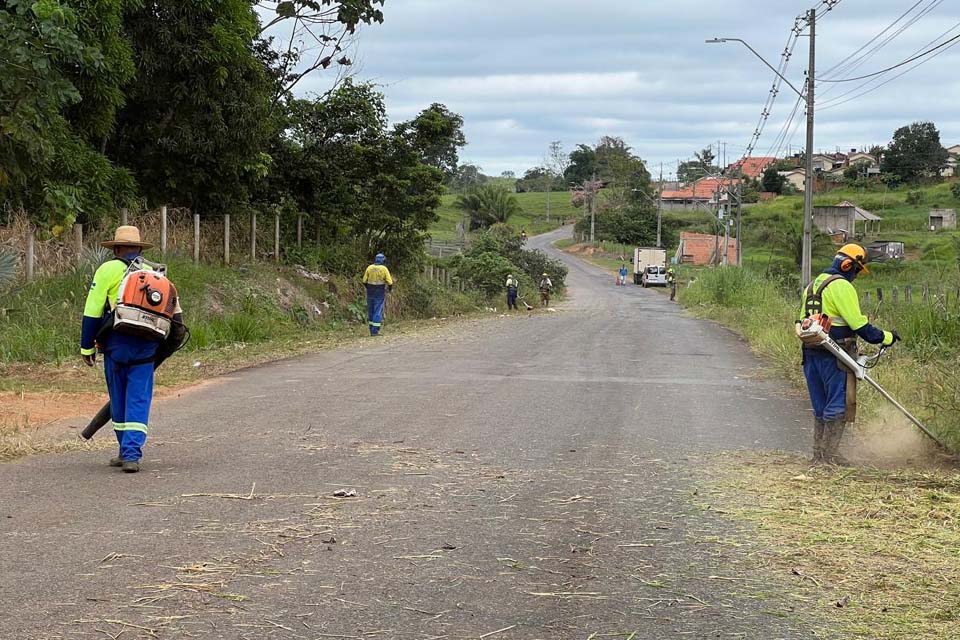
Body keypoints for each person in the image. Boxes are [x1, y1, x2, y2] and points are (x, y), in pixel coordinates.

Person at [80, 226, 182, 473]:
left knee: (118, 397)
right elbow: (175, 314)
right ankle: (131, 454)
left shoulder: (107, 269)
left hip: (115, 344)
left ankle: (124, 450)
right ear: (139, 248)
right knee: (138, 398)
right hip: (147, 346)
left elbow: (92, 311)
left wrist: (86, 347)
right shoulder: (154, 273)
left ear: (115, 249)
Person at [797, 243, 899, 464]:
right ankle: (829, 456)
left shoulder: (812, 285)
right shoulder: (842, 286)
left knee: (820, 404)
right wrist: (887, 337)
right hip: (836, 355)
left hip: (811, 354)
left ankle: (819, 454)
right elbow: (859, 325)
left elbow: (800, 321)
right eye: (856, 270)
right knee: (838, 403)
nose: (856, 275)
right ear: (847, 265)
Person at [363, 253, 394, 336]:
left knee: (371, 309)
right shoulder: (384, 269)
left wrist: (368, 288)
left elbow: (364, 281)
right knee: (378, 310)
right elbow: (390, 282)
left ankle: (370, 329)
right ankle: (375, 331)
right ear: (383, 260)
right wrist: (389, 289)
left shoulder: (369, 268)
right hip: (379, 291)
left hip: (370, 291)